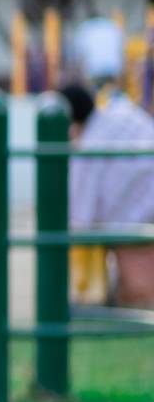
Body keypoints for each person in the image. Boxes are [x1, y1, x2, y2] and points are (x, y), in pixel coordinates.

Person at [60, 83, 154, 307]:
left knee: (139, 283)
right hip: (142, 206)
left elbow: (80, 217)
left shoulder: (88, 149)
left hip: (138, 218)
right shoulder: (120, 112)